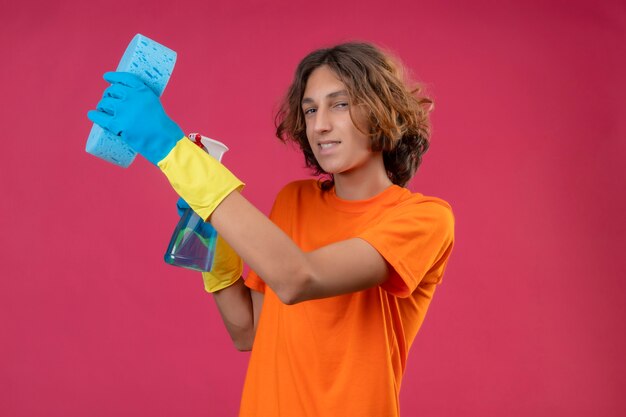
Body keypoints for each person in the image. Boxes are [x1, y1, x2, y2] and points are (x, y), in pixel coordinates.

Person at [88, 41, 455, 416]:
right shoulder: (295, 201)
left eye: (339, 104)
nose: (320, 124)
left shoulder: (423, 219)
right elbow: (248, 331)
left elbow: (299, 277)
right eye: (310, 110)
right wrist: (216, 232)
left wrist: (171, 150)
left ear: (384, 110)